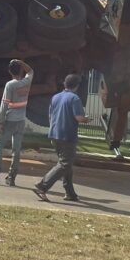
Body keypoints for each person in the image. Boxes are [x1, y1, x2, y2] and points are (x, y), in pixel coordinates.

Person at [33, 73, 89, 202]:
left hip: (54, 134)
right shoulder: (74, 99)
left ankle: (70, 193)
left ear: (65, 83)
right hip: (67, 135)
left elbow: (50, 116)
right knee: (65, 164)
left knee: (66, 164)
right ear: (77, 86)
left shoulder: (55, 97)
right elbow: (79, 118)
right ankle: (42, 186)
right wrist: (87, 120)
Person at [0, 59, 34, 187]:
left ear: (9, 72)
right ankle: (11, 177)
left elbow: (4, 104)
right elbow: (31, 71)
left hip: (9, 120)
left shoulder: (10, 85)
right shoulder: (26, 82)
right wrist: (21, 62)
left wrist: (0, 122)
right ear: (21, 70)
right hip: (21, 120)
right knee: (16, 150)